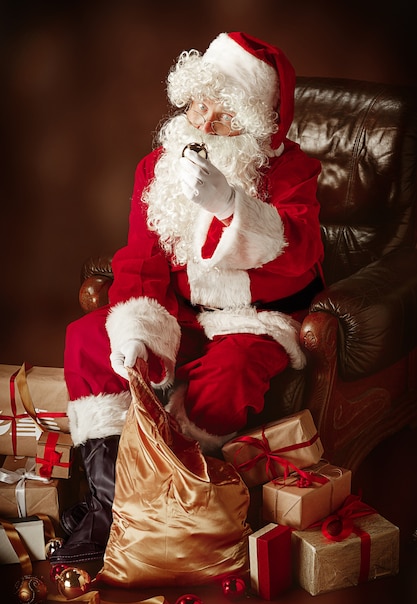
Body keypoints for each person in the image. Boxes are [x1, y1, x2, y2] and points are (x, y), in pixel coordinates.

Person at [51, 31, 324, 564]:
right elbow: (143, 259)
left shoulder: (291, 172)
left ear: (253, 121)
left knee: (232, 373)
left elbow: (300, 254)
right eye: (197, 103)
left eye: (220, 114)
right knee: (89, 338)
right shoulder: (158, 166)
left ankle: (171, 494)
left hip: (254, 319)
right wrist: (135, 331)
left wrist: (229, 205)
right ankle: (114, 507)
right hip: (181, 315)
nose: (201, 123)